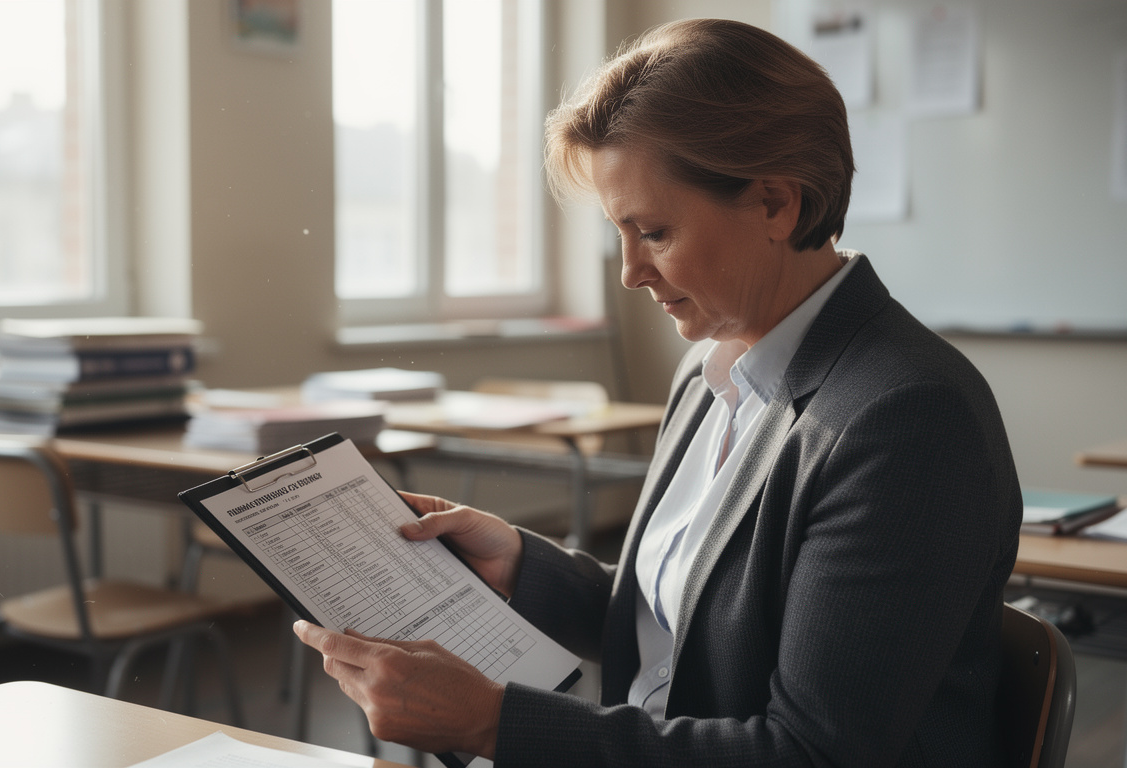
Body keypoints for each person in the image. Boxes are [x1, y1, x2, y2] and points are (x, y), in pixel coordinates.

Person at [295, 18, 1021, 767]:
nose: (629, 272)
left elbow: (812, 755)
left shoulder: (906, 418)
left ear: (777, 203)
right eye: (620, 232)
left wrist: (493, 725)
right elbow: (690, 621)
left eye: (655, 233)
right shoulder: (708, 371)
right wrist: (518, 561)